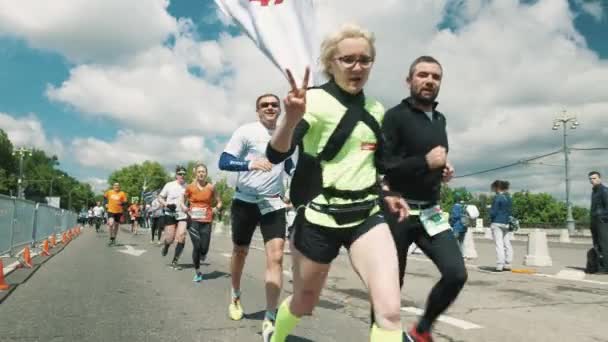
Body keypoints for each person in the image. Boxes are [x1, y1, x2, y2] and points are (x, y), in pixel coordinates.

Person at [266, 24, 410, 342]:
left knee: (389, 312)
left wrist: (391, 191)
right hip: (319, 217)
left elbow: (379, 162)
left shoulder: (376, 109)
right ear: (331, 63)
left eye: (365, 59)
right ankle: (273, 336)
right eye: (348, 60)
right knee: (305, 301)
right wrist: (289, 118)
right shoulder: (312, 100)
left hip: (366, 217)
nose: (357, 67)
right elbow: (277, 154)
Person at [381, 55, 468, 341]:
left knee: (456, 274)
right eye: (423, 75)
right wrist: (425, 162)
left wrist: (443, 168)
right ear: (410, 81)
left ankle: (421, 330)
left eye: (435, 76)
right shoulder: (395, 116)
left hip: (430, 212)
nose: (429, 80)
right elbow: (384, 165)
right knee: (391, 286)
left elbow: (433, 159)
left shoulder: (440, 119)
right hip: (398, 210)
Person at [218, 89, 295, 337]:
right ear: (258, 110)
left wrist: (296, 189)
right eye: (265, 105)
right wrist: (249, 163)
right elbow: (223, 161)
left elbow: (290, 165)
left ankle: (270, 316)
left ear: (280, 109)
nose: (270, 108)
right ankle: (235, 295)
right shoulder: (246, 131)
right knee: (240, 251)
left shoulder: (288, 133)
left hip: (272, 203)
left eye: (274, 104)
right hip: (245, 201)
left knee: (276, 257)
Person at [185, 162, 222, 282]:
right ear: (196, 173)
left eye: (203, 172)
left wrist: (216, 208)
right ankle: (197, 272)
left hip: (207, 220)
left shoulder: (211, 187)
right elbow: (182, 200)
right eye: (199, 171)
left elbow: (219, 201)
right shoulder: (190, 187)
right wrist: (184, 208)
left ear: (206, 174)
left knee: (204, 248)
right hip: (193, 220)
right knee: (197, 246)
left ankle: (203, 253)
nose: (201, 174)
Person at [158, 166, 189, 269]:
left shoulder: (188, 187)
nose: (182, 175)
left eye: (184, 174)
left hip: (182, 215)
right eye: (180, 174)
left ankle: (175, 261)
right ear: (176, 175)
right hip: (170, 214)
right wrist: (167, 204)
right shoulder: (169, 185)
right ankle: (166, 245)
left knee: (182, 235)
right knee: (170, 238)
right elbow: (160, 197)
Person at [490, 180, 513, 272]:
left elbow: (494, 212)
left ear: (497, 188)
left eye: (494, 188)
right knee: (507, 243)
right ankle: (508, 264)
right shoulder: (508, 198)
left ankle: (500, 265)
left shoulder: (497, 197)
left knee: (499, 244)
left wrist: (490, 212)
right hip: (506, 222)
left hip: (497, 222)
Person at [589, 171, 608, 273]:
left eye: (594, 178)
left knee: (603, 244)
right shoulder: (594, 192)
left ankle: (605, 268)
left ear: (600, 178)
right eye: (590, 179)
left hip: (602, 222)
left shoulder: (604, 191)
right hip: (595, 221)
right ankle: (599, 267)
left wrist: (601, 217)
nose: (592, 180)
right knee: (596, 244)